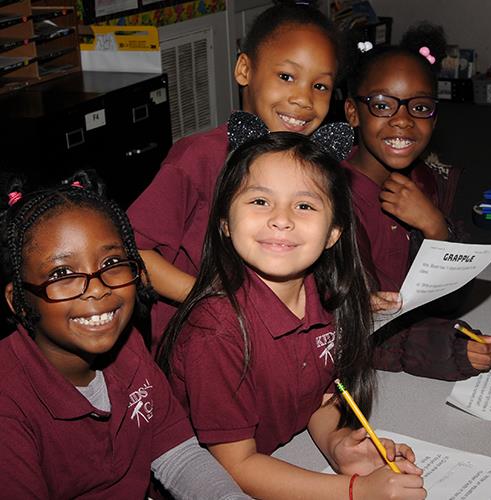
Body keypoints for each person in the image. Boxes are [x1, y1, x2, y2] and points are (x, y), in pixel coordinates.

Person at [157, 124, 426, 499]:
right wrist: (355, 490)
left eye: (304, 205)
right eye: (260, 201)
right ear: (224, 224)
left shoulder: (327, 298)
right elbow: (235, 465)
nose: (281, 219)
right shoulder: (216, 329)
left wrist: (338, 444)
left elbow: (315, 397)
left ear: (333, 232)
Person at [0, 170, 251, 499]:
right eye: (62, 273)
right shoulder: (9, 404)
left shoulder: (127, 344)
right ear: (18, 301)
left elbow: (178, 456)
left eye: (112, 262)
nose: (98, 288)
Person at [127, 1, 343, 354]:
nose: (303, 99)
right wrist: (213, 300)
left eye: (320, 86)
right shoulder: (197, 158)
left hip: (278, 348)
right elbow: (132, 252)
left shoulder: (315, 167)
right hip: (200, 350)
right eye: (286, 76)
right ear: (244, 69)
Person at [342, 22, 491, 380]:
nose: (402, 121)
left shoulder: (429, 182)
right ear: (353, 112)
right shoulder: (328, 201)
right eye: (382, 105)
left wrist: (435, 227)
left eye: (420, 107)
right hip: (357, 378)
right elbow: (348, 328)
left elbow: (446, 299)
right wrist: (450, 349)